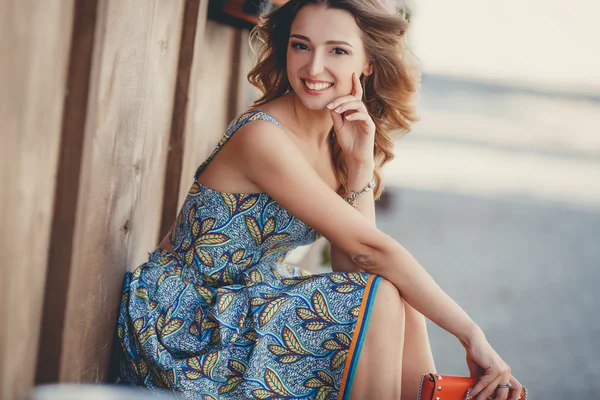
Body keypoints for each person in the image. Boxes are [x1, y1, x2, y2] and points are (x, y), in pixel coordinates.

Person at [115, 1, 524, 399]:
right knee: (382, 295)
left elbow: (353, 265)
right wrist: (471, 335)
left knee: (395, 295)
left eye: (338, 51)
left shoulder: (335, 137)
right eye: (301, 45)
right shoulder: (263, 136)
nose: (313, 67)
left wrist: (359, 162)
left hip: (242, 303)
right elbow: (366, 252)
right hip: (182, 321)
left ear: (366, 64)